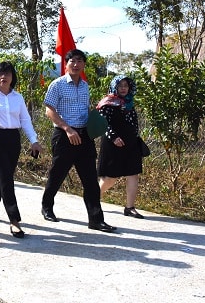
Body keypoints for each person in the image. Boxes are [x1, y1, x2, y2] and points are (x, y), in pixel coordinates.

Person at [41, 49, 116, 233]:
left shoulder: (85, 86)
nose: (76, 64)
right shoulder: (57, 85)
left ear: (83, 65)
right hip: (64, 135)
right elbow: (49, 110)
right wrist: (67, 129)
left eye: (79, 61)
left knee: (90, 179)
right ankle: (47, 206)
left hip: (84, 137)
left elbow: (85, 109)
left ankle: (96, 219)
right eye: (72, 61)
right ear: (65, 64)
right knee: (57, 174)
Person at [0, 62, 42, 238]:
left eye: (7, 74)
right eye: (0, 74)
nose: (3, 77)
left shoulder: (18, 98)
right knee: (6, 177)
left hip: (13, 139)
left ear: (13, 77)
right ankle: (14, 220)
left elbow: (26, 121)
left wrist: (34, 141)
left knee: (4, 176)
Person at [97, 75, 144, 219]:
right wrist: (114, 137)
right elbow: (102, 124)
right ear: (114, 87)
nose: (123, 88)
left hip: (131, 144)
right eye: (120, 85)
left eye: (126, 85)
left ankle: (130, 207)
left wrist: (135, 139)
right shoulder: (107, 103)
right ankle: (93, 199)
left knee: (133, 174)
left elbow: (134, 124)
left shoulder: (130, 103)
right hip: (113, 143)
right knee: (111, 178)